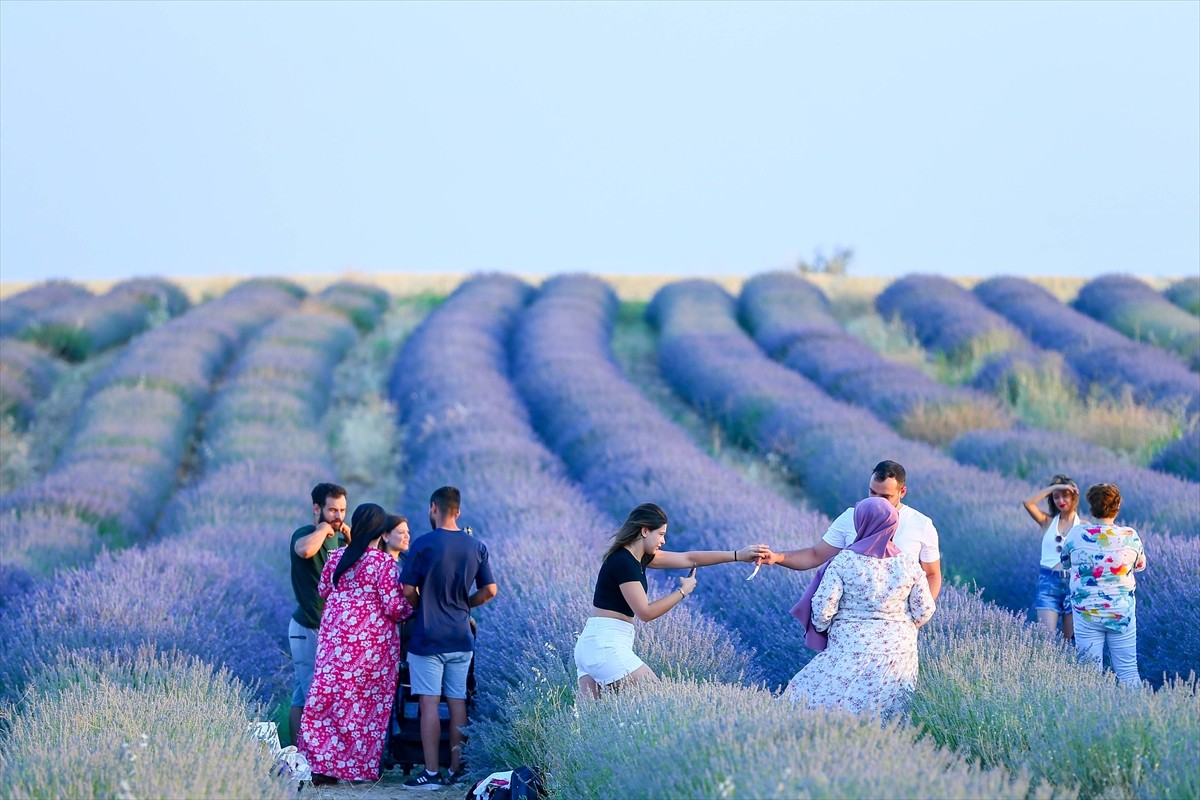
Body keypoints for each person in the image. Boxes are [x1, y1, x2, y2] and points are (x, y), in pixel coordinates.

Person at [573, 502, 773, 699]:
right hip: (605, 645)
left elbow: (688, 558)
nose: (663, 540)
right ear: (645, 531)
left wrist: (738, 555)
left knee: (588, 717)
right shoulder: (624, 562)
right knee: (658, 700)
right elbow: (645, 613)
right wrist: (683, 591)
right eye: (660, 534)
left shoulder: (633, 558)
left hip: (592, 644)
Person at [785, 497, 935, 720]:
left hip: (849, 646)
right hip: (899, 651)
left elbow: (823, 608)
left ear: (860, 523)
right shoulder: (908, 564)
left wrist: (823, 627)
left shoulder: (844, 561)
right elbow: (925, 610)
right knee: (890, 710)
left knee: (818, 702)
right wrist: (903, 626)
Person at [299, 503, 414, 785]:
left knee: (328, 700)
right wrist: (415, 606)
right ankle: (356, 768)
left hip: (334, 641)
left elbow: (323, 590)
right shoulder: (383, 563)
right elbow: (395, 608)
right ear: (380, 531)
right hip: (371, 648)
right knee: (364, 707)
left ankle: (322, 764)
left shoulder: (337, 556)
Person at [399, 487, 498, 790]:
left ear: (434, 508)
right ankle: (456, 770)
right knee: (458, 702)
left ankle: (431, 773)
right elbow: (490, 590)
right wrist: (465, 604)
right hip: (460, 636)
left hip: (428, 636)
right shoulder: (476, 546)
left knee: (429, 703)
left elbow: (407, 590)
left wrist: (421, 604)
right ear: (458, 511)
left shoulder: (423, 544)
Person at [765, 460, 942, 599]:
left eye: (885, 496)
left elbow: (932, 575)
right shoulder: (851, 517)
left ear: (902, 492)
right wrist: (777, 557)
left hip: (898, 627)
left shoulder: (921, 524)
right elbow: (815, 555)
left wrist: (918, 617)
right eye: (873, 492)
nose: (876, 500)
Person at [1060, 483, 1147, 688]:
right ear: (1118, 506)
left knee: (1089, 674)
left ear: (1092, 507)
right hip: (1120, 613)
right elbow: (1140, 565)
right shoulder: (1130, 536)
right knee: (1128, 671)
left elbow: (1065, 562)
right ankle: (1138, 708)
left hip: (1087, 613)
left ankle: (1092, 708)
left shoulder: (1076, 534)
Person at [287, 482, 350, 747]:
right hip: (308, 627)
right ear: (317, 508)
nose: (338, 516)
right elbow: (305, 551)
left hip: (331, 630)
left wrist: (350, 535)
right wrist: (323, 529)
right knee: (314, 694)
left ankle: (300, 752)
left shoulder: (342, 537)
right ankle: (311, 753)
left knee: (303, 694)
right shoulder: (305, 533)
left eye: (342, 510)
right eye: (333, 510)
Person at [1022, 475, 1083, 640]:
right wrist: (1054, 488)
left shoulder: (1084, 526)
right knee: (1046, 639)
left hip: (1073, 584)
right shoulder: (1047, 521)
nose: (1060, 500)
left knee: (1071, 643)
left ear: (1074, 497)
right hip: (1048, 583)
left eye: (1065, 496)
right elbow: (1028, 503)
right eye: (1056, 497)